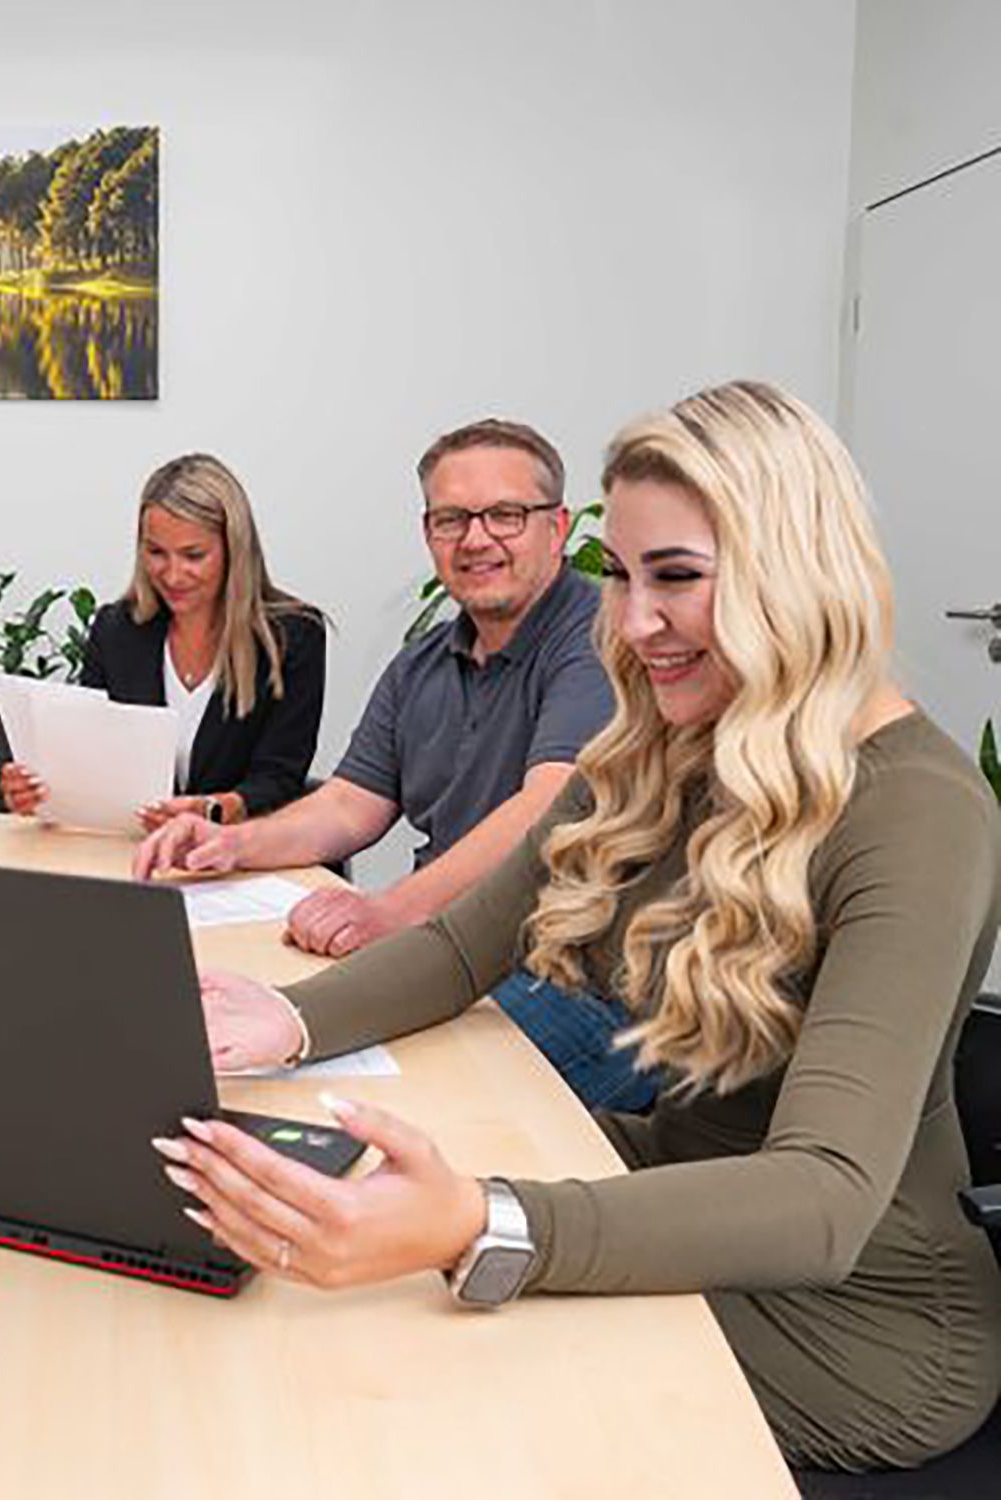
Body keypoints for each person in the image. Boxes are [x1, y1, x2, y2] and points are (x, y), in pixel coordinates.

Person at [162, 380, 1001, 1472]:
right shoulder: (658, 744)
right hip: (671, 1193)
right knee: (311, 1236)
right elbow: (469, 942)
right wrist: (284, 1019)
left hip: (850, 1319)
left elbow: (823, 1197)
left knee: (408, 1364)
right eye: (624, 577)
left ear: (793, 574)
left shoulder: (915, 810)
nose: (636, 621)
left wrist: (482, 1226)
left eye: (678, 578)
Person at [134, 419, 644, 1109]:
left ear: (557, 528)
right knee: (248, 1049)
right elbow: (349, 804)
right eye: (451, 519)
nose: (476, 538)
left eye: (505, 515)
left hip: (576, 976)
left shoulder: (596, 641)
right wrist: (230, 840)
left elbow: (545, 811)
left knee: (362, 1095)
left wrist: (393, 912)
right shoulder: (424, 663)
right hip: (455, 952)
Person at [0, 452, 325, 830]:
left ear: (234, 552)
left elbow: (280, 776)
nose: (172, 574)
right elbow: (95, 761)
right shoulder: (116, 630)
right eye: (156, 552)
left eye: (193, 555)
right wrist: (41, 792)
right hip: (132, 853)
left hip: (241, 853)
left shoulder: (291, 636)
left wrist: (211, 811)